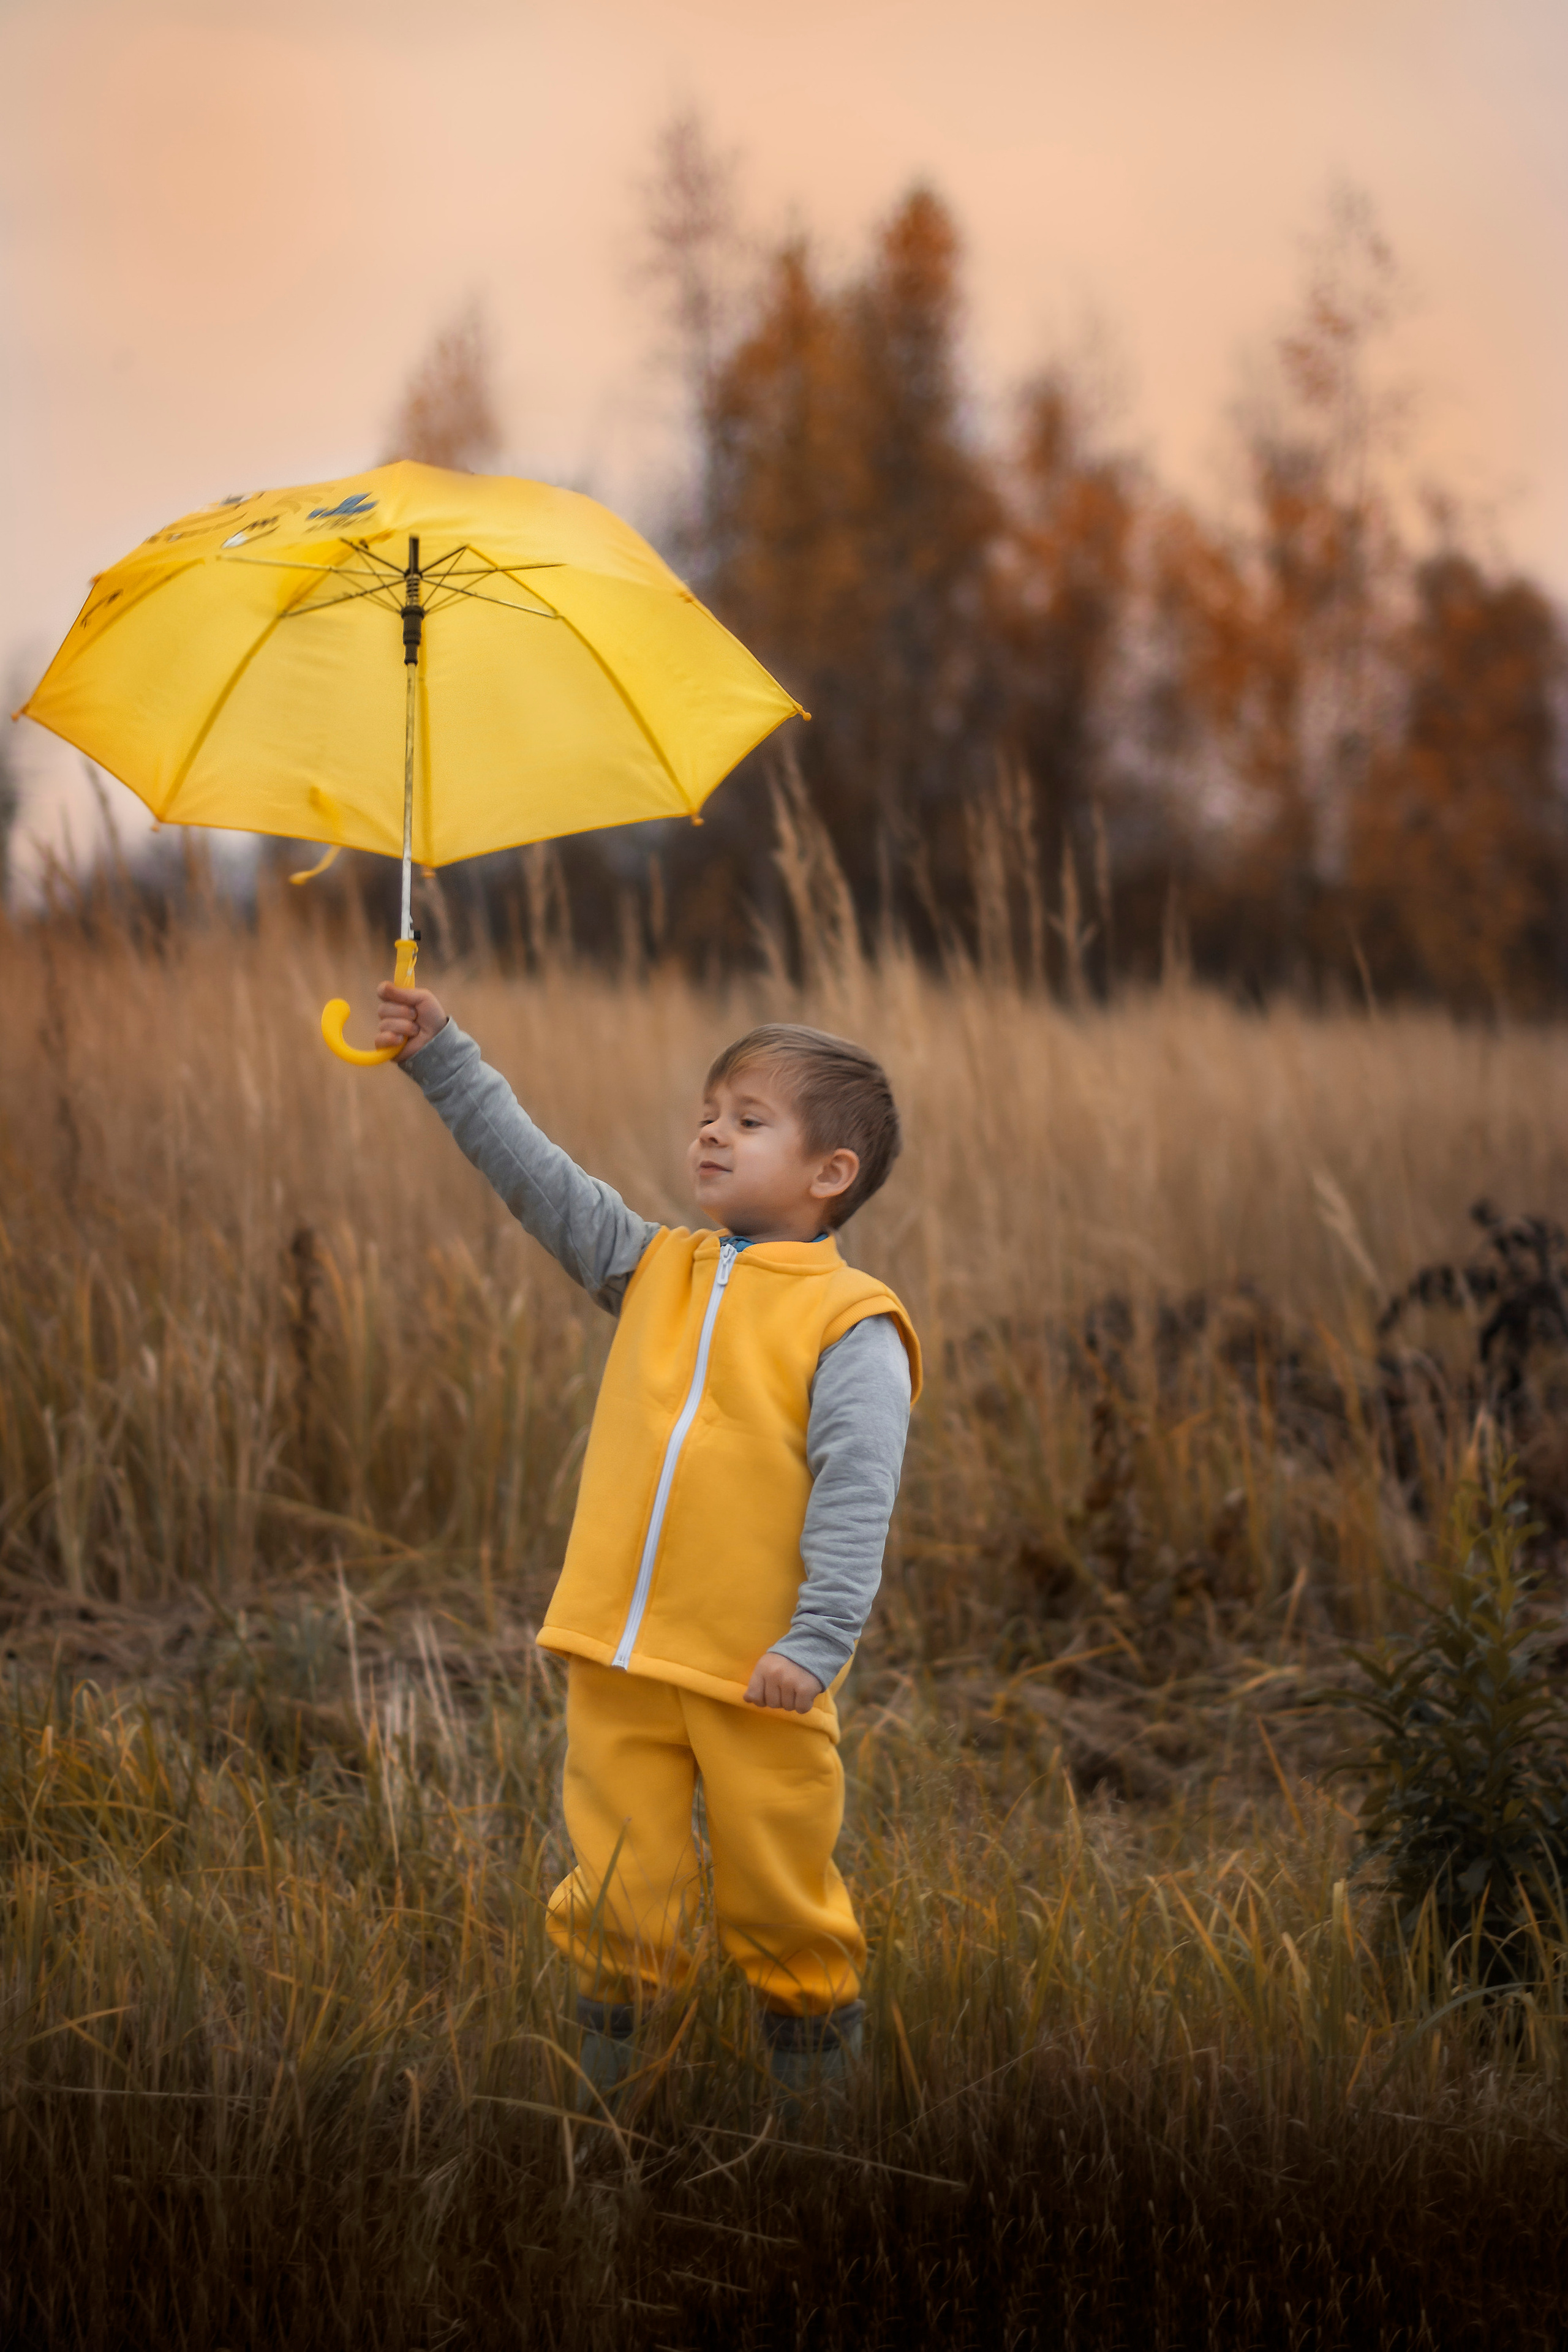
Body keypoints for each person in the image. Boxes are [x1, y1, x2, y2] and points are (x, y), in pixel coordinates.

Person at [375, 980, 921, 2102]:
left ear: (832, 1175)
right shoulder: (652, 1266)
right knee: (619, 1892)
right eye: (709, 1111)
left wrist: (816, 1643)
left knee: (782, 1902)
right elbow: (535, 1174)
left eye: (749, 1118)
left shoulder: (851, 1323)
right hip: (617, 1657)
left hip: (757, 1672)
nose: (712, 1131)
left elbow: (858, 1496)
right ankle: (609, 2114)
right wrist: (442, 1055)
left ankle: (820, 2126)